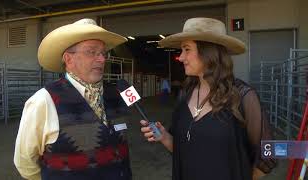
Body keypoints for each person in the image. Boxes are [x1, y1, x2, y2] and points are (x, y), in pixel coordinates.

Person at [140, 17, 276, 180]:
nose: (181, 57)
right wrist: (164, 137)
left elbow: (269, 154)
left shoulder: (243, 96)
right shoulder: (185, 94)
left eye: (187, 49)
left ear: (208, 53)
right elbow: (182, 150)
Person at [14, 18, 132, 180]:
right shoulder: (44, 101)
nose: (102, 59)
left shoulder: (116, 94)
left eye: (103, 53)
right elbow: (25, 162)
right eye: (92, 52)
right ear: (68, 59)